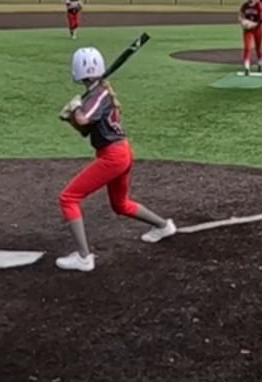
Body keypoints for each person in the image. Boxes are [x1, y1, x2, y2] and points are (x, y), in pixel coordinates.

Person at [55, 47, 176, 272]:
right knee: (120, 204)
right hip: (118, 153)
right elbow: (85, 129)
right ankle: (163, 226)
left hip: (113, 156)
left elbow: (83, 120)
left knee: (68, 198)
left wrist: (76, 109)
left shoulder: (99, 94)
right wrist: (71, 116)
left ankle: (84, 258)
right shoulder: (98, 94)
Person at [238, 0, 262, 75]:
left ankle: (260, 61)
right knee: (247, 47)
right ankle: (247, 65)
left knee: (258, 47)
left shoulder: (259, 6)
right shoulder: (244, 6)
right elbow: (240, 16)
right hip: (248, 30)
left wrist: (254, 24)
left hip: (257, 29)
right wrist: (243, 22)